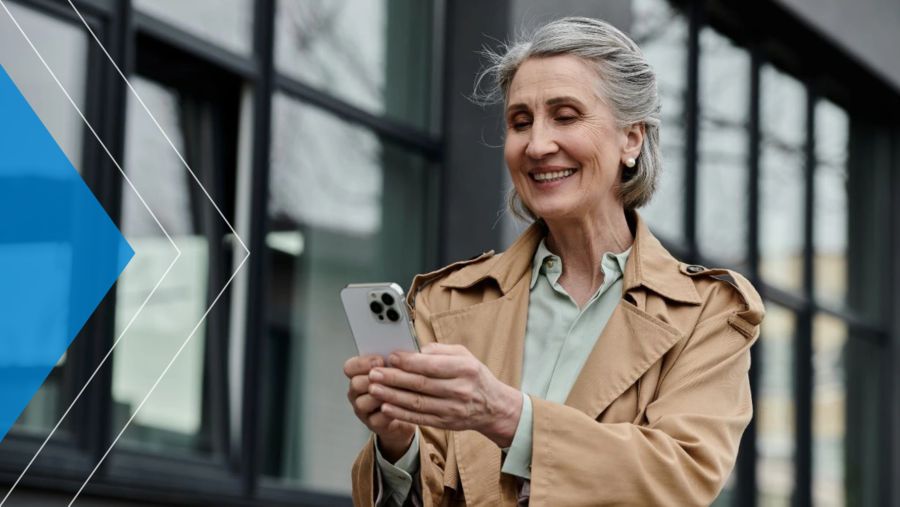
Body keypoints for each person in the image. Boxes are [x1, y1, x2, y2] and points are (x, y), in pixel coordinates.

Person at [343, 16, 763, 506]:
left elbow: (679, 476)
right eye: (521, 122)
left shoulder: (708, 311)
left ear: (632, 139)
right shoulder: (445, 301)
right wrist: (398, 443)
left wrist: (507, 415)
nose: (538, 145)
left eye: (565, 116)